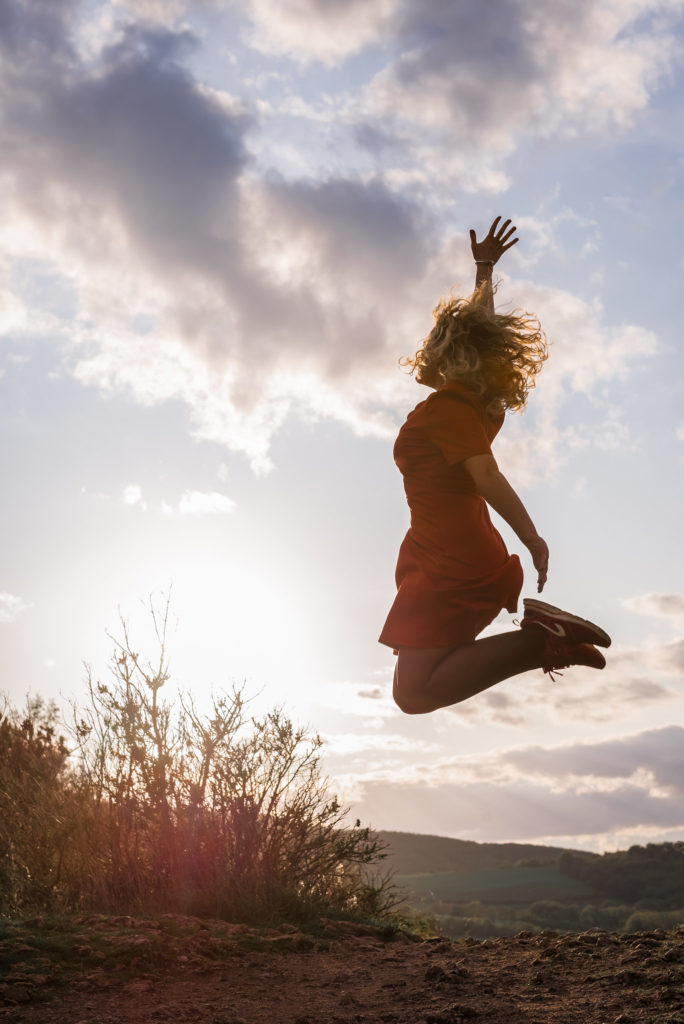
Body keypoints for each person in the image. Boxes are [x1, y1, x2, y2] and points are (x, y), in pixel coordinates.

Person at [380, 216, 611, 716]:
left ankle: (540, 640)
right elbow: (478, 333)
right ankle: (549, 640)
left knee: (414, 692)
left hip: (450, 555)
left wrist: (532, 539)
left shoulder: (449, 411)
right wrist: (484, 271)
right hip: (444, 548)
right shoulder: (477, 408)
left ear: (450, 351)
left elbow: (487, 477)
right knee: (415, 689)